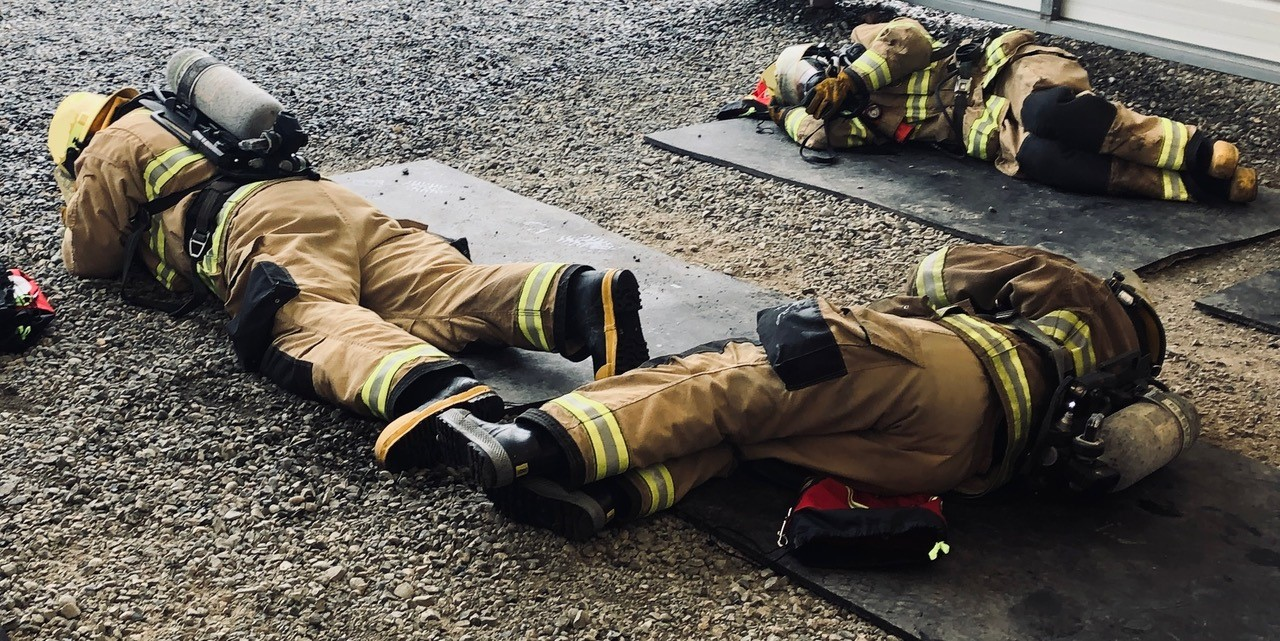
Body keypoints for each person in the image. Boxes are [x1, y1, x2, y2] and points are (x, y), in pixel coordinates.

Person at [418, 244, 1196, 541]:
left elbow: (935, 276)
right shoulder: (1124, 377)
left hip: (939, 378)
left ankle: (528, 442)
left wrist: (879, 327)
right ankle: (613, 495)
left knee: (730, 383)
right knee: (748, 442)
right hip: (962, 466)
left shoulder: (1072, 287)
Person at [48, 88, 650, 470]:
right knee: (436, 286)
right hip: (337, 203)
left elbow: (91, 256)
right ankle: (577, 298)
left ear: (78, 142)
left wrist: (81, 199)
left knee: (301, 319)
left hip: (262, 224)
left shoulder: (109, 144)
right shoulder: (192, 118)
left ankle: (434, 396)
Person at [740, 17, 1257, 204]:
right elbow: (819, 137)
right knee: (1044, 160)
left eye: (816, 75)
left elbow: (911, 38)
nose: (820, 89)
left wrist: (852, 77)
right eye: (808, 89)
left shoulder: (869, 46)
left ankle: (1199, 149)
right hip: (984, 130)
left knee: (1050, 113)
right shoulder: (845, 121)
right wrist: (781, 114)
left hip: (1005, 70)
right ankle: (1199, 188)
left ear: (825, 59)